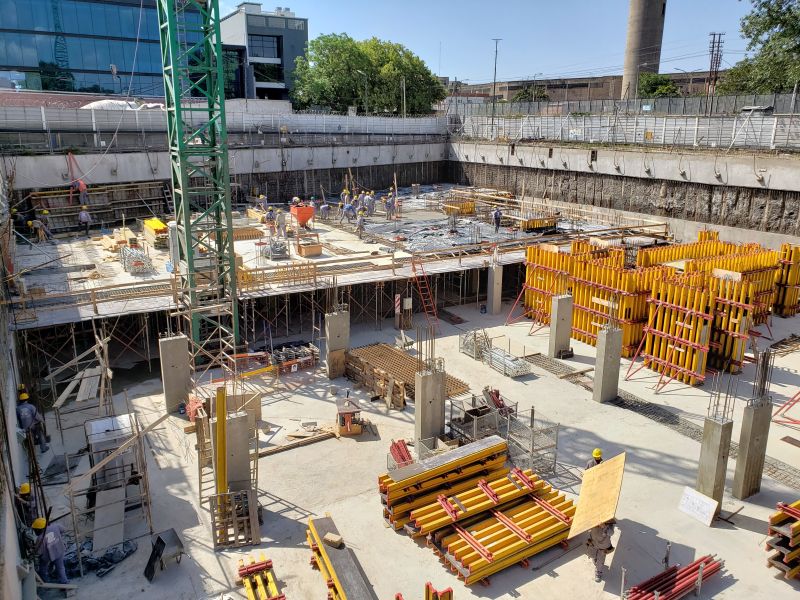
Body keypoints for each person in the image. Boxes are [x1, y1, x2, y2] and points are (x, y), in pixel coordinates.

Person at [33, 518, 68, 585]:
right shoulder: (56, 526)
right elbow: (63, 530)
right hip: (59, 550)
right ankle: (64, 582)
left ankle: (45, 581)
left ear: (40, 529)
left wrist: (34, 550)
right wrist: (57, 536)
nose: (35, 531)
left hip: (48, 556)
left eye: (35, 530)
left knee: (43, 568)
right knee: (60, 568)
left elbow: (39, 552)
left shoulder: (40, 538)